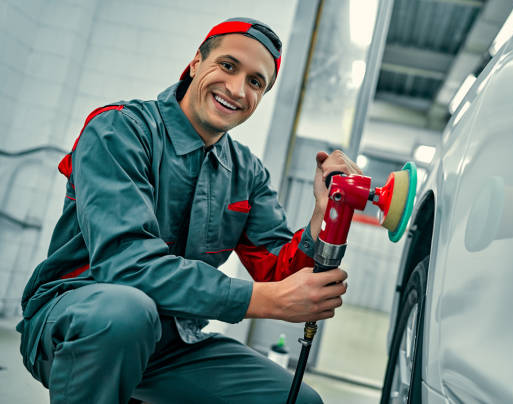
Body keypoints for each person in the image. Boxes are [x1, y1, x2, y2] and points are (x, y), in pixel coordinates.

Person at [17, 17, 361, 404]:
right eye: (228, 66)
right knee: (127, 311)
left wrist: (322, 212)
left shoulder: (247, 173)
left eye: (255, 82)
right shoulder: (119, 129)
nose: (236, 89)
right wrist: (265, 300)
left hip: (172, 343)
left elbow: (279, 272)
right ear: (196, 61)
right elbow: (127, 266)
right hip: (81, 320)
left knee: (298, 400)